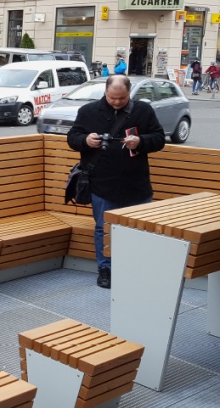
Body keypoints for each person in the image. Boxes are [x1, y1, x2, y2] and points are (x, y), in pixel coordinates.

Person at [67, 75, 166, 289]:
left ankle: (135, 268)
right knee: (104, 228)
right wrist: (85, 141)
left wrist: (141, 142)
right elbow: (72, 138)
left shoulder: (143, 111)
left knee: (140, 229)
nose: (117, 102)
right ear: (105, 92)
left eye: (122, 98)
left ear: (129, 93)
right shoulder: (88, 111)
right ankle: (106, 269)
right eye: (112, 98)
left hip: (136, 184)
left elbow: (159, 139)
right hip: (102, 184)